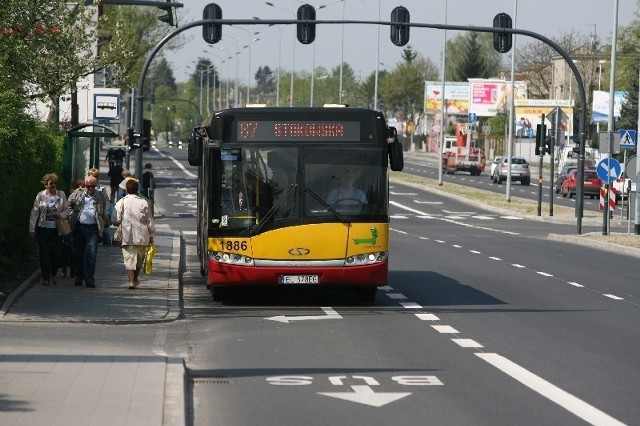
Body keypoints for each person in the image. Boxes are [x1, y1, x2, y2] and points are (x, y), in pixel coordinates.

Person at [67, 175, 109, 288]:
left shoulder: (99, 195)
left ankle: (89, 279)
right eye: (88, 186)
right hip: (79, 228)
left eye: (92, 186)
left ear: (95, 185)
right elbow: (68, 204)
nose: (90, 188)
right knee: (78, 254)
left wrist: (103, 219)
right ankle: (79, 277)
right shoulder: (78, 193)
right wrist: (72, 215)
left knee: (91, 254)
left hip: (93, 229)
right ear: (85, 185)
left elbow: (106, 206)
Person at [28, 173, 69, 286]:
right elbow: (35, 212)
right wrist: (32, 229)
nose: (53, 185)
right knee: (44, 253)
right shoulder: (40, 195)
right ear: (46, 184)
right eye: (51, 183)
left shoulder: (61, 195)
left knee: (56, 253)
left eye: (55, 183)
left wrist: (60, 215)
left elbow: (67, 210)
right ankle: (46, 277)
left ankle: (53, 273)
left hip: (57, 229)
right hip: (43, 228)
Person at [114, 179, 155, 289]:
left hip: (127, 236)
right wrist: (152, 235)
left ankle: (132, 281)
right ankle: (134, 279)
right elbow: (149, 220)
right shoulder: (144, 202)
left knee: (129, 259)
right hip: (142, 236)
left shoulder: (121, 202)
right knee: (139, 261)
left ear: (126, 189)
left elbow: (116, 219)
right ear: (137, 190)